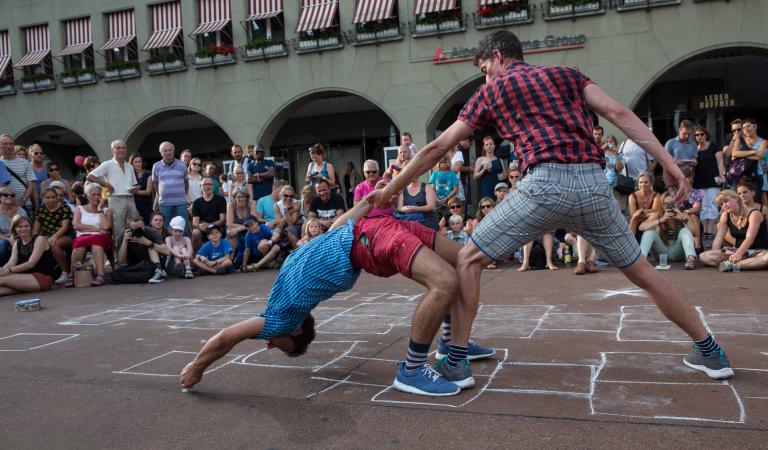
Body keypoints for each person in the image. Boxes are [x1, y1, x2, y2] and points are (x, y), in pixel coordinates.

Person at [370, 30, 734, 382]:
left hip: (543, 184)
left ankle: (456, 360)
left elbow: (436, 148)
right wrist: (668, 164)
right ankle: (710, 350)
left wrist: (390, 190)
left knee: (468, 258)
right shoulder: (568, 74)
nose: (484, 80)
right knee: (643, 273)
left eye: (484, 70)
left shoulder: (494, 89)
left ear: (497, 57)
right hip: (593, 183)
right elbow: (618, 112)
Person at [179, 198, 488, 397]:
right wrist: (367, 203)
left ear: (296, 332)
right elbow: (337, 228)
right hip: (367, 235)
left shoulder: (278, 318)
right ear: (298, 330)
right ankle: (431, 358)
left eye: (281, 346)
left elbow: (225, 337)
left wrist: (197, 367)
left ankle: (451, 343)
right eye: (282, 346)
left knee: (467, 261)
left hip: (370, 228)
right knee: (448, 279)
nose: (271, 343)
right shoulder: (287, 305)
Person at [699, 189, 768, 271]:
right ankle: (743, 264)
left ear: (736, 198)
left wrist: (738, 254)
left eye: (726, 201)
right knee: (703, 256)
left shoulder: (754, 214)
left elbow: (750, 238)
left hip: (757, 251)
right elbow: (718, 238)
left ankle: (732, 265)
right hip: (736, 250)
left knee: (766, 258)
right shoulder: (725, 215)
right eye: (721, 204)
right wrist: (717, 254)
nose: (724, 205)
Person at [87, 140, 139, 238]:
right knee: (119, 229)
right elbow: (90, 176)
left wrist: (135, 189)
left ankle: (132, 252)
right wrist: (106, 184)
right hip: (116, 199)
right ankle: (119, 253)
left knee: (134, 227)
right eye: (118, 148)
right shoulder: (108, 164)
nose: (121, 150)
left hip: (130, 198)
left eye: (123, 148)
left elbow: (133, 184)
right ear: (113, 150)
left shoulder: (130, 166)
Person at [66, 183, 113, 287]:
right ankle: (73, 275)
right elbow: (76, 225)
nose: (96, 197)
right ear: (87, 196)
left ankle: (101, 275)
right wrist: (96, 229)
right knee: (79, 247)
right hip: (84, 236)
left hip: (101, 237)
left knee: (96, 243)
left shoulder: (106, 211)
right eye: (93, 194)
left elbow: (106, 227)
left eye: (98, 195)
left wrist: (100, 210)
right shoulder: (80, 209)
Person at [0, 215, 59, 296]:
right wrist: (2, 270)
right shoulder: (17, 243)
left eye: (26, 226)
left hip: (42, 278)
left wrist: (8, 271)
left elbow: (31, 263)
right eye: (20, 227)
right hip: (24, 278)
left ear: (31, 227)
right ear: (15, 229)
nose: (23, 229)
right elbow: (11, 262)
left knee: (2, 280)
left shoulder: (39, 239)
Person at [638, 191, 698, 270]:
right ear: (662, 205)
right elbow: (641, 227)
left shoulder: (683, 214)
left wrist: (682, 219)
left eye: (671, 203)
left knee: (685, 230)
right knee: (649, 232)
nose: (668, 206)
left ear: (675, 204)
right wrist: (661, 220)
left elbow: (694, 232)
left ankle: (690, 259)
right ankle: (641, 260)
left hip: (678, 252)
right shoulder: (658, 215)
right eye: (665, 204)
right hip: (662, 252)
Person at [112, 213, 169, 284]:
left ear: (143, 225)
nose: (139, 230)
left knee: (151, 251)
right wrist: (125, 241)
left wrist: (148, 242)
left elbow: (167, 251)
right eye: (135, 228)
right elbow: (121, 261)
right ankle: (150, 277)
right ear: (129, 228)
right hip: (134, 266)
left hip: (150, 264)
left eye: (141, 227)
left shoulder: (151, 232)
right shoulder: (124, 235)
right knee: (115, 274)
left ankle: (156, 273)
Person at [33, 187, 72, 285]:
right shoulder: (40, 211)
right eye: (48, 197)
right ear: (43, 198)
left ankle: (65, 272)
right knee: (38, 243)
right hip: (47, 236)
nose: (51, 199)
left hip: (66, 235)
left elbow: (65, 227)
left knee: (54, 243)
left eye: (53, 197)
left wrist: (54, 236)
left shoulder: (64, 208)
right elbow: (36, 230)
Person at [692, 127, 724, 240]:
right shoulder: (694, 149)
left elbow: (720, 162)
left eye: (701, 134)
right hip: (698, 182)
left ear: (706, 135)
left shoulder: (714, 146)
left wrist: (722, 175)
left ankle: (709, 230)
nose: (699, 136)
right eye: (697, 135)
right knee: (700, 206)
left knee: (712, 204)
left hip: (713, 181)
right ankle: (703, 229)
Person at [152, 141, 189, 232]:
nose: (168, 152)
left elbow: (186, 183)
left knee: (182, 228)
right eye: (165, 150)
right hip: (164, 203)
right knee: (165, 229)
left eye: (170, 150)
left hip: (180, 203)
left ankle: (185, 246)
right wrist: (160, 195)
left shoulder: (182, 165)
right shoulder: (156, 166)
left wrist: (183, 195)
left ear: (173, 151)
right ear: (161, 153)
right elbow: (155, 184)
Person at [394, 160, 438, 230]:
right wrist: (405, 209)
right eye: (410, 173)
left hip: (426, 223)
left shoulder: (427, 187)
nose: (413, 174)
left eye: (414, 171)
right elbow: (400, 207)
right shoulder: (403, 189)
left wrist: (416, 208)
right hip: (409, 222)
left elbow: (431, 206)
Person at [0, 135, 37, 214]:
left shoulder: (25, 162)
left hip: (25, 205)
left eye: (11, 144)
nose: (9, 146)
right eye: (5, 144)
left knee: (25, 226)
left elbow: (31, 185)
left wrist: (22, 201)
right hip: (3, 206)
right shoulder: (0, 163)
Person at [191, 177, 227, 250]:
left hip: (217, 226)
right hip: (203, 228)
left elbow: (222, 219)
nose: (208, 186)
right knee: (195, 233)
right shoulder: (196, 202)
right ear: (201, 187)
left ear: (213, 186)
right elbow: (195, 222)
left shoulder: (220, 200)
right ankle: (198, 256)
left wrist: (210, 225)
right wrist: (200, 225)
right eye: (205, 184)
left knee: (214, 232)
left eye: (210, 184)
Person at [0, 186, 28, 265]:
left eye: (12, 195)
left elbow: (26, 228)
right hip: (3, 238)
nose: (9, 196)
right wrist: (8, 239)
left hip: (19, 236)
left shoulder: (21, 211)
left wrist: (14, 238)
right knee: (2, 244)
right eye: (5, 194)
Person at [628, 172, 660, 239]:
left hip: (650, 223)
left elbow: (656, 212)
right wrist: (649, 213)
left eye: (646, 182)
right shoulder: (632, 196)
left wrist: (641, 211)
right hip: (636, 224)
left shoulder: (656, 195)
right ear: (638, 183)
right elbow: (633, 215)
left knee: (655, 216)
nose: (643, 184)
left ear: (651, 183)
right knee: (634, 219)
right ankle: (632, 242)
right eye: (640, 182)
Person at [474, 136, 505, 201]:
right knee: (487, 206)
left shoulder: (499, 159)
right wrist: (484, 169)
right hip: (486, 188)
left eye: (491, 144)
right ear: (484, 147)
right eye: (487, 144)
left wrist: (502, 176)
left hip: (498, 189)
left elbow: (505, 175)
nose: (489, 146)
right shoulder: (480, 159)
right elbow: (475, 176)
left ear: (494, 146)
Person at [130, 154, 153, 224]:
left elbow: (148, 192)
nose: (138, 164)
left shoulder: (149, 174)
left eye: (140, 162)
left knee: (146, 225)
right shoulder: (129, 175)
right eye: (136, 162)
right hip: (133, 205)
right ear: (132, 163)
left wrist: (134, 192)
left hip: (146, 205)